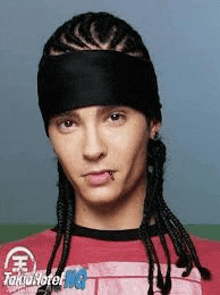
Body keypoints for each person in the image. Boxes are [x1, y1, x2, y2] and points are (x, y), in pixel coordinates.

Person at [0, 11, 220, 295]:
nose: (92, 149)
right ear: (50, 135)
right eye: (68, 124)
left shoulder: (213, 269)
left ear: (153, 122)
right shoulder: (10, 272)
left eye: (114, 117)